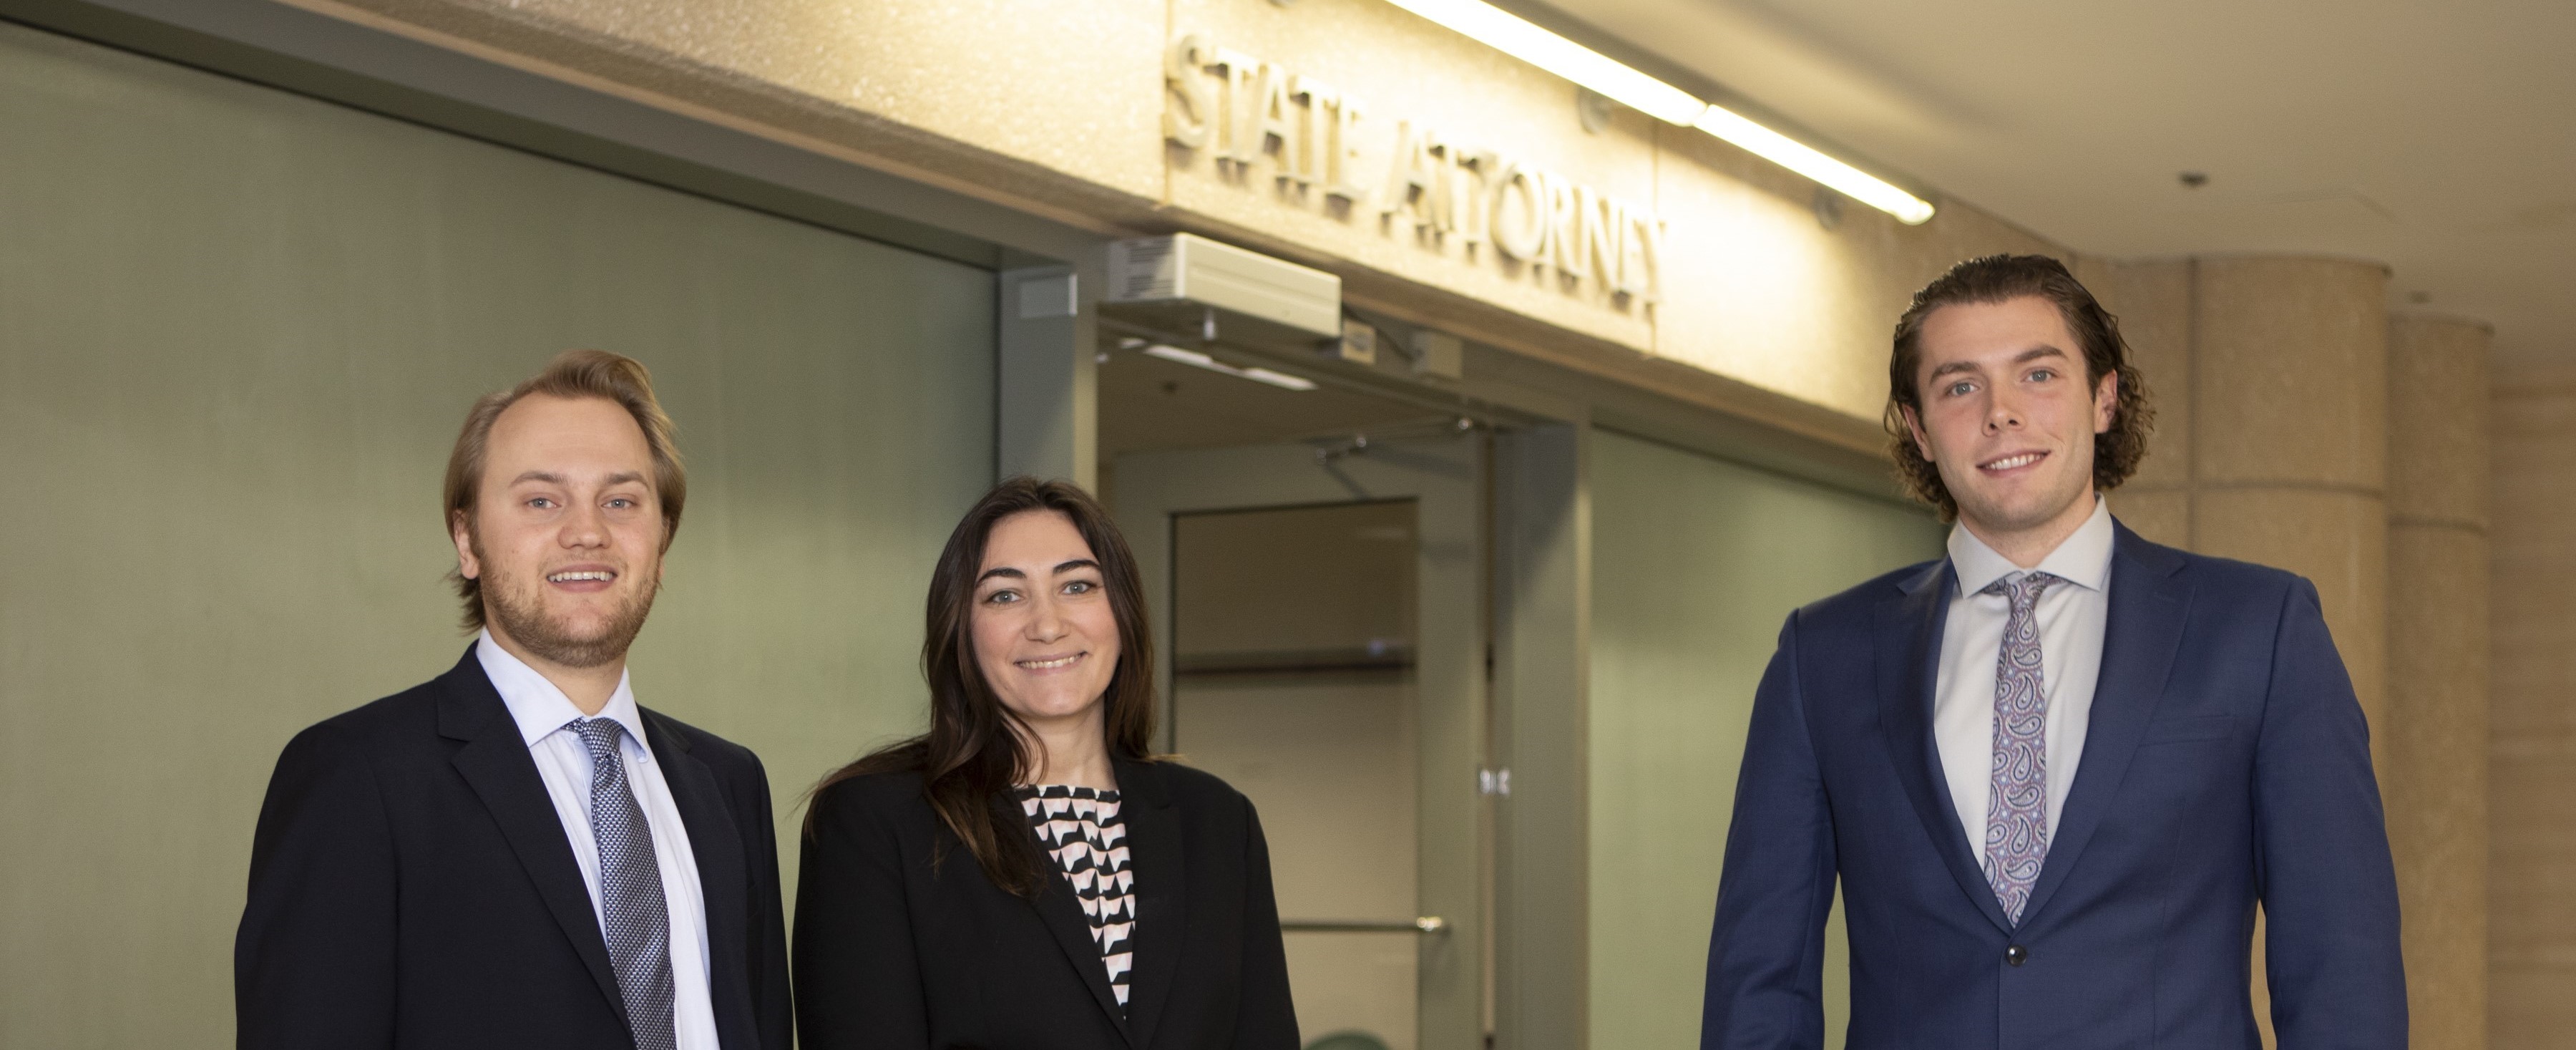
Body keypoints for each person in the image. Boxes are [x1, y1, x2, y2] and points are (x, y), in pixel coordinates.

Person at [1700, 255, 2404, 1049]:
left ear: (2104, 397)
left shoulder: (2260, 629)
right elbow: (1759, 981)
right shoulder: (1819, 656)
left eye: (2038, 375)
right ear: (1919, 429)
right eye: (1960, 386)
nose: (2002, 414)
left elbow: (2342, 964)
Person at [235, 350, 791, 1049]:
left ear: (663, 537)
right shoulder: (357, 777)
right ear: (466, 539)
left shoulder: (729, 783)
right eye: (540, 500)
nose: (586, 531)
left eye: (620, 501)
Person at [794, 477, 1297, 1050]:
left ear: (1123, 613)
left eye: (1078, 585)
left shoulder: (1218, 821)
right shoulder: (874, 822)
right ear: (961, 629)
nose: (1048, 623)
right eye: (1005, 595)